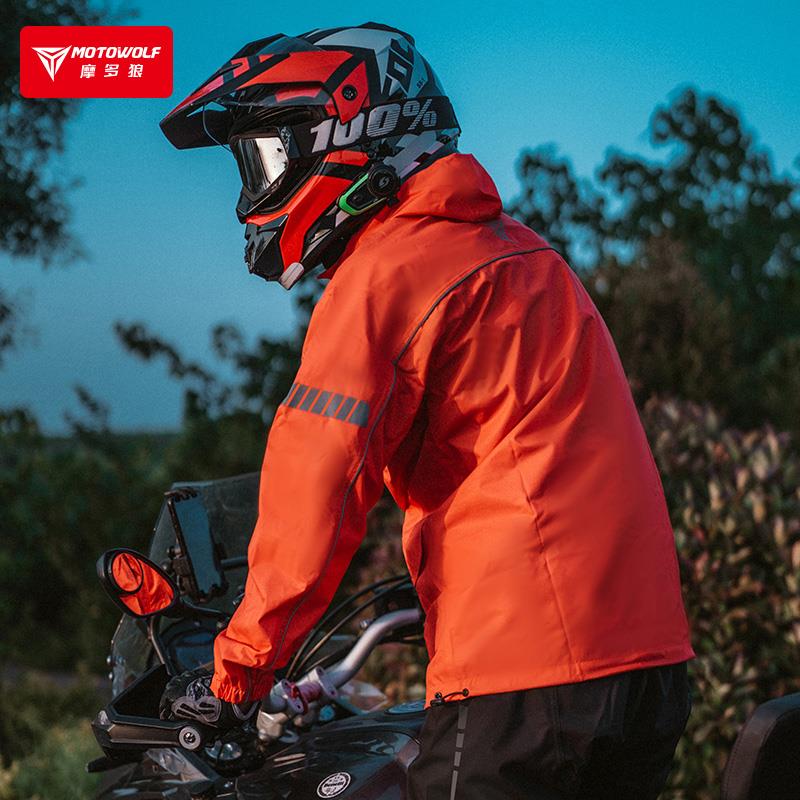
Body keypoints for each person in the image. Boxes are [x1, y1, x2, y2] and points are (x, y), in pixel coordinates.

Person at [158, 22, 694, 798]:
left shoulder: (385, 273)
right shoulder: (528, 255)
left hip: (524, 676)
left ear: (346, 136)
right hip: (650, 664)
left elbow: (319, 487)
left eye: (267, 157)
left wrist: (235, 675)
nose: (254, 192)